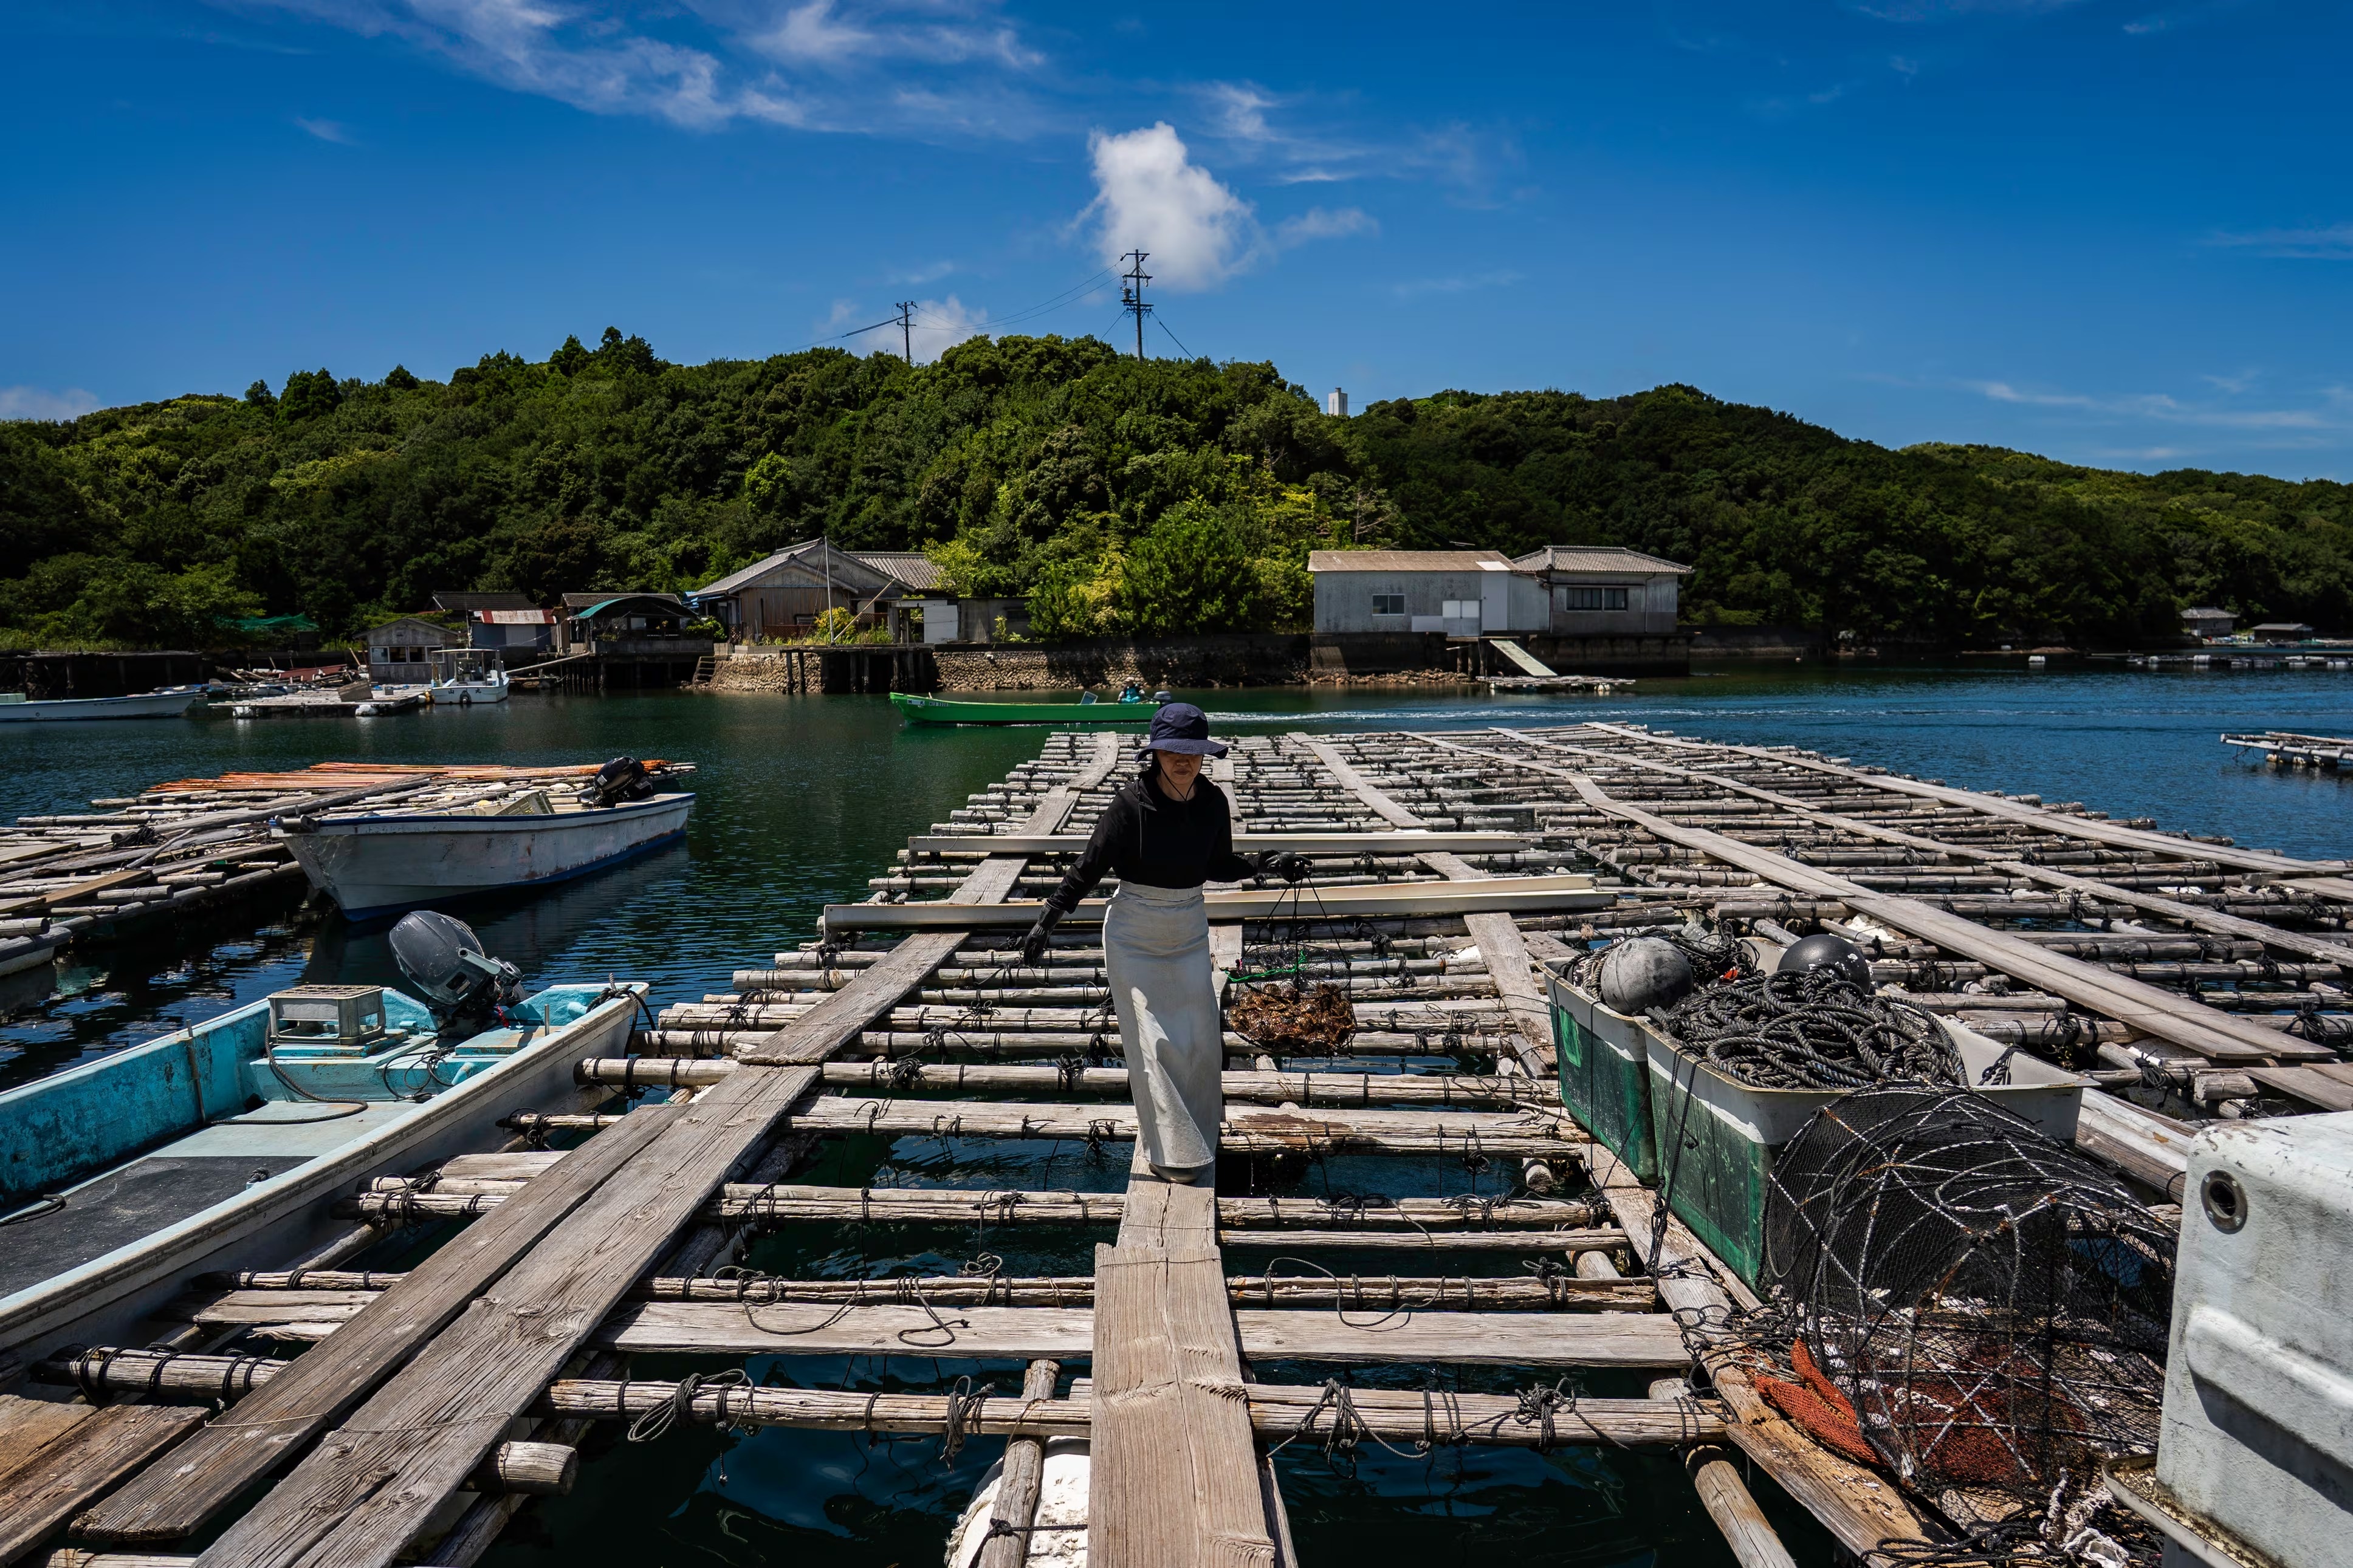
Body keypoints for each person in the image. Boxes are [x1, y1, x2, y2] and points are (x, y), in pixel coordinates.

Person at [1022, 704, 1306, 1183]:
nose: (1183, 760)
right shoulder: (1129, 804)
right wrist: (1049, 916)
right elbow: (1088, 866)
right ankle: (1170, 1153)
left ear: (1202, 756)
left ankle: (1198, 1135)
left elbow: (1217, 865)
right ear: (1156, 752)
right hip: (1134, 935)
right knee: (1153, 1043)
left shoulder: (1214, 802)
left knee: (1199, 1040)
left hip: (1189, 929)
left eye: (1192, 752)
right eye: (1173, 750)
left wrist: (1266, 863)